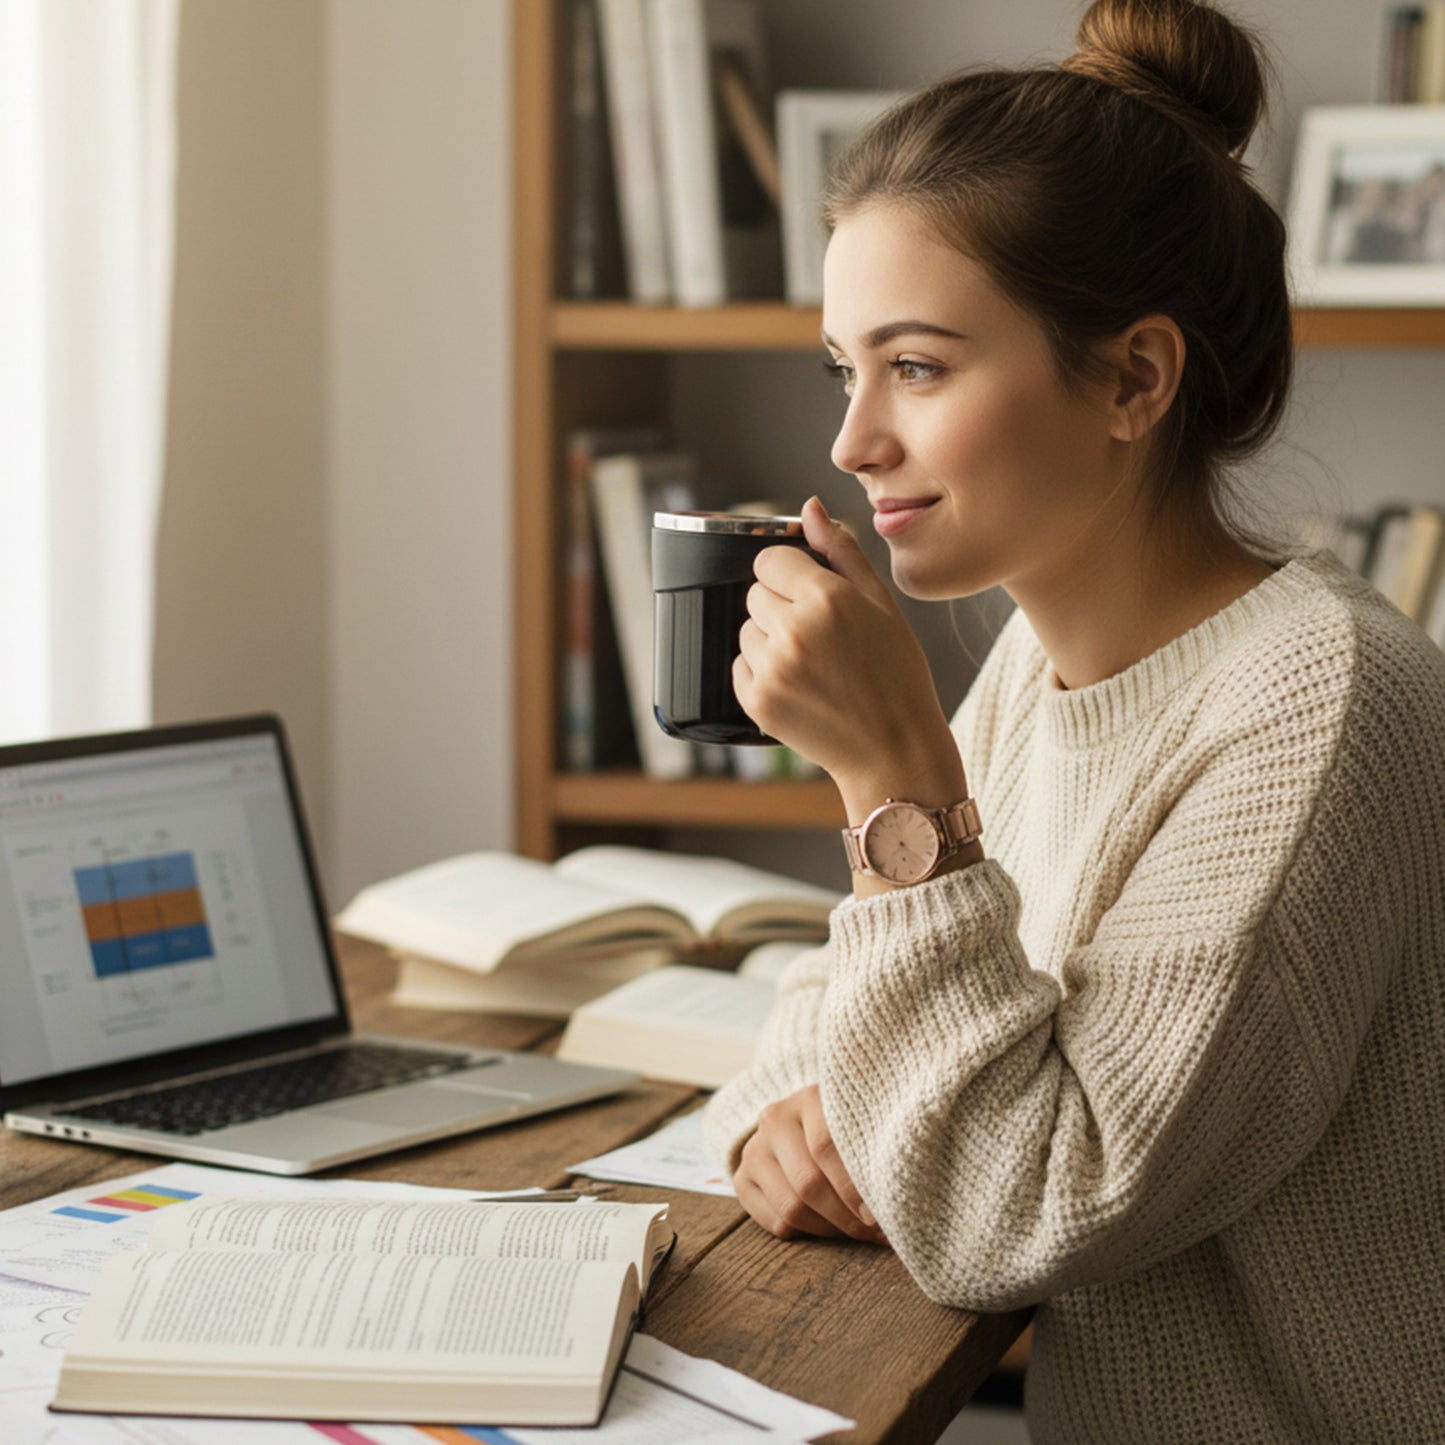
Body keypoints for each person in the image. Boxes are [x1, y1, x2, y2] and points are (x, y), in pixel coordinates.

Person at [702, 1, 1445, 1441]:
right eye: (841, 371)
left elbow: (1007, 1207)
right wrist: (776, 1120)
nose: (853, 442)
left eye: (914, 367)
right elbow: (822, 1011)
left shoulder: (1320, 707)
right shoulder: (1041, 665)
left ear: (1133, 377)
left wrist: (891, 777)